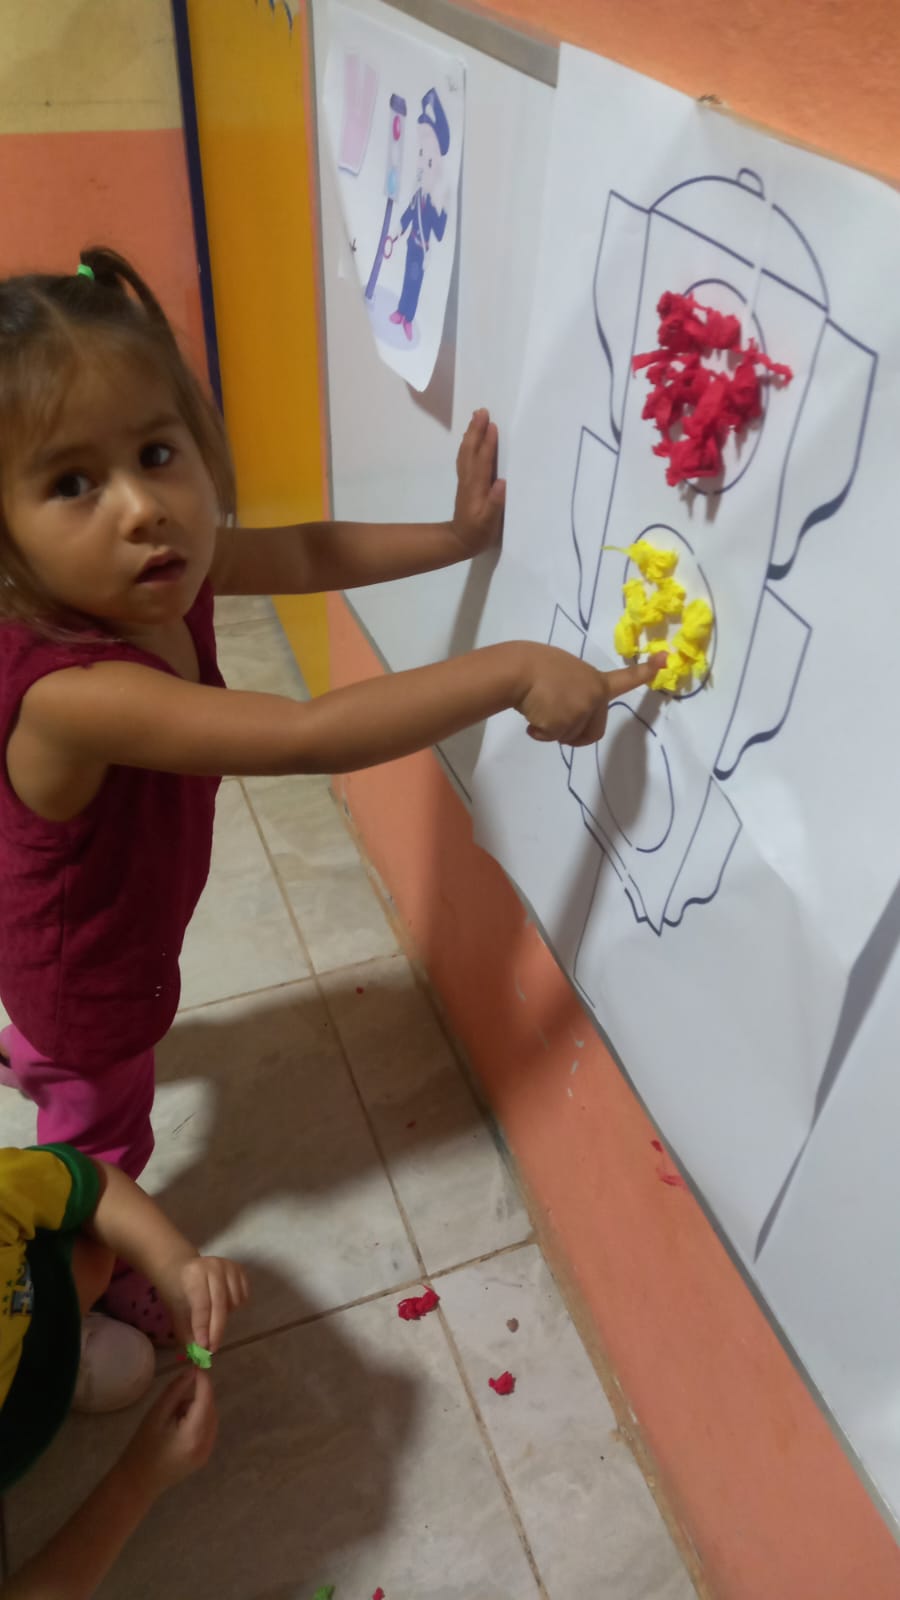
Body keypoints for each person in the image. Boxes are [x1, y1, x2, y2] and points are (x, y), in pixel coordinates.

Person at [0, 246, 660, 1339]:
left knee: (61, 1045)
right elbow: (308, 735)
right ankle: (81, 1301)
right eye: (73, 484)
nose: (142, 508)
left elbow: (306, 551)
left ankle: (35, 1053)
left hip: (86, 920)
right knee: (97, 1153)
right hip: (88, 974)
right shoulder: (76, 694)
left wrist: (455, 538)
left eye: (156, 453)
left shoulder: (161, 572)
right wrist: (510, 669)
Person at [0, 1141, 248, 1598]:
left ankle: (56, 1341)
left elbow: (93, 1187)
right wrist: (137, 1479)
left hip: (27, 1309)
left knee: (93, 1256)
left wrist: (175, 1266)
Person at [390, 86, 451, 340]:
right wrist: (397, 232)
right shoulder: (417, 196)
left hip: (422, 250)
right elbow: (408, 215)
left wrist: (443, 208)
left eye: (428, 160)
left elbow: (439, 233)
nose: (421, 164)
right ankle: (400, 311)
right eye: (421, 155)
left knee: (415, 287)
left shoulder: (434, 203)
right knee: (407, 280)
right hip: (411, 246)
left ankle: (409, 318)